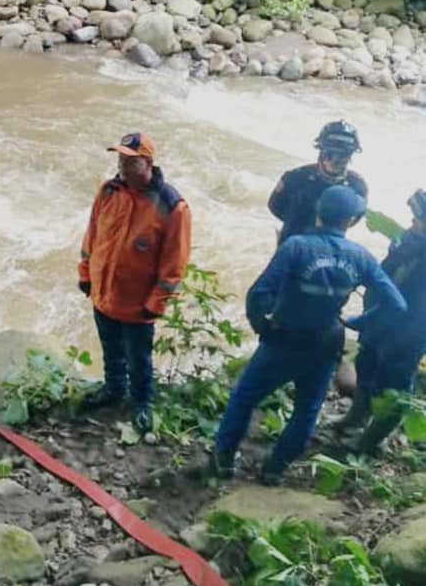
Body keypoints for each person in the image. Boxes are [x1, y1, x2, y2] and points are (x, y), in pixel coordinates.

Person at [212, 185, 407, 485]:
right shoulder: (361, 257)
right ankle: (275, 468)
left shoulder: (296, 247)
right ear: (349, 221)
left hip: (283, 340)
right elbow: (396, 305)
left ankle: (223, 460)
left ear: (318, 212)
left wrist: (263, 326)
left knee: (244, 398)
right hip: (326, 343)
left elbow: (259, 294)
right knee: (307, 410)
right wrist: (358, 322)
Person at [77, 132, 192, 433]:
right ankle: (113, 389)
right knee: (110, 350)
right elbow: (92, 236)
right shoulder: (108, 191)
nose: (123, 167)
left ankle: (141, 403)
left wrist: (155, 303)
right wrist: (85, 273)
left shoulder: (172, 207)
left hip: (137, 305)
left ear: (148, 163)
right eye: (121, 160)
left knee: (139, 360)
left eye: (131, 162)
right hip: (103, 294)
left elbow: (174, 263)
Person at [336, 189, 426, 454]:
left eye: (418, 220)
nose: (412, 223)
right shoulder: (408, 239)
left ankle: (371, 441)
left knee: (394, 387)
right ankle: (356, 417)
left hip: (409, 332)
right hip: (380, 320)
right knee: (366, 365)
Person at [269, 121, 367, 244]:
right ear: (320, 151)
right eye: (329, 154)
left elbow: (355, 218)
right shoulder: (296, 178)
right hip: (291, 243)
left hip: (328, 248)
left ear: (350, 156)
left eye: (343, 155)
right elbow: (275, 207)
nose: (334, 160)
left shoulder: (357, 186)